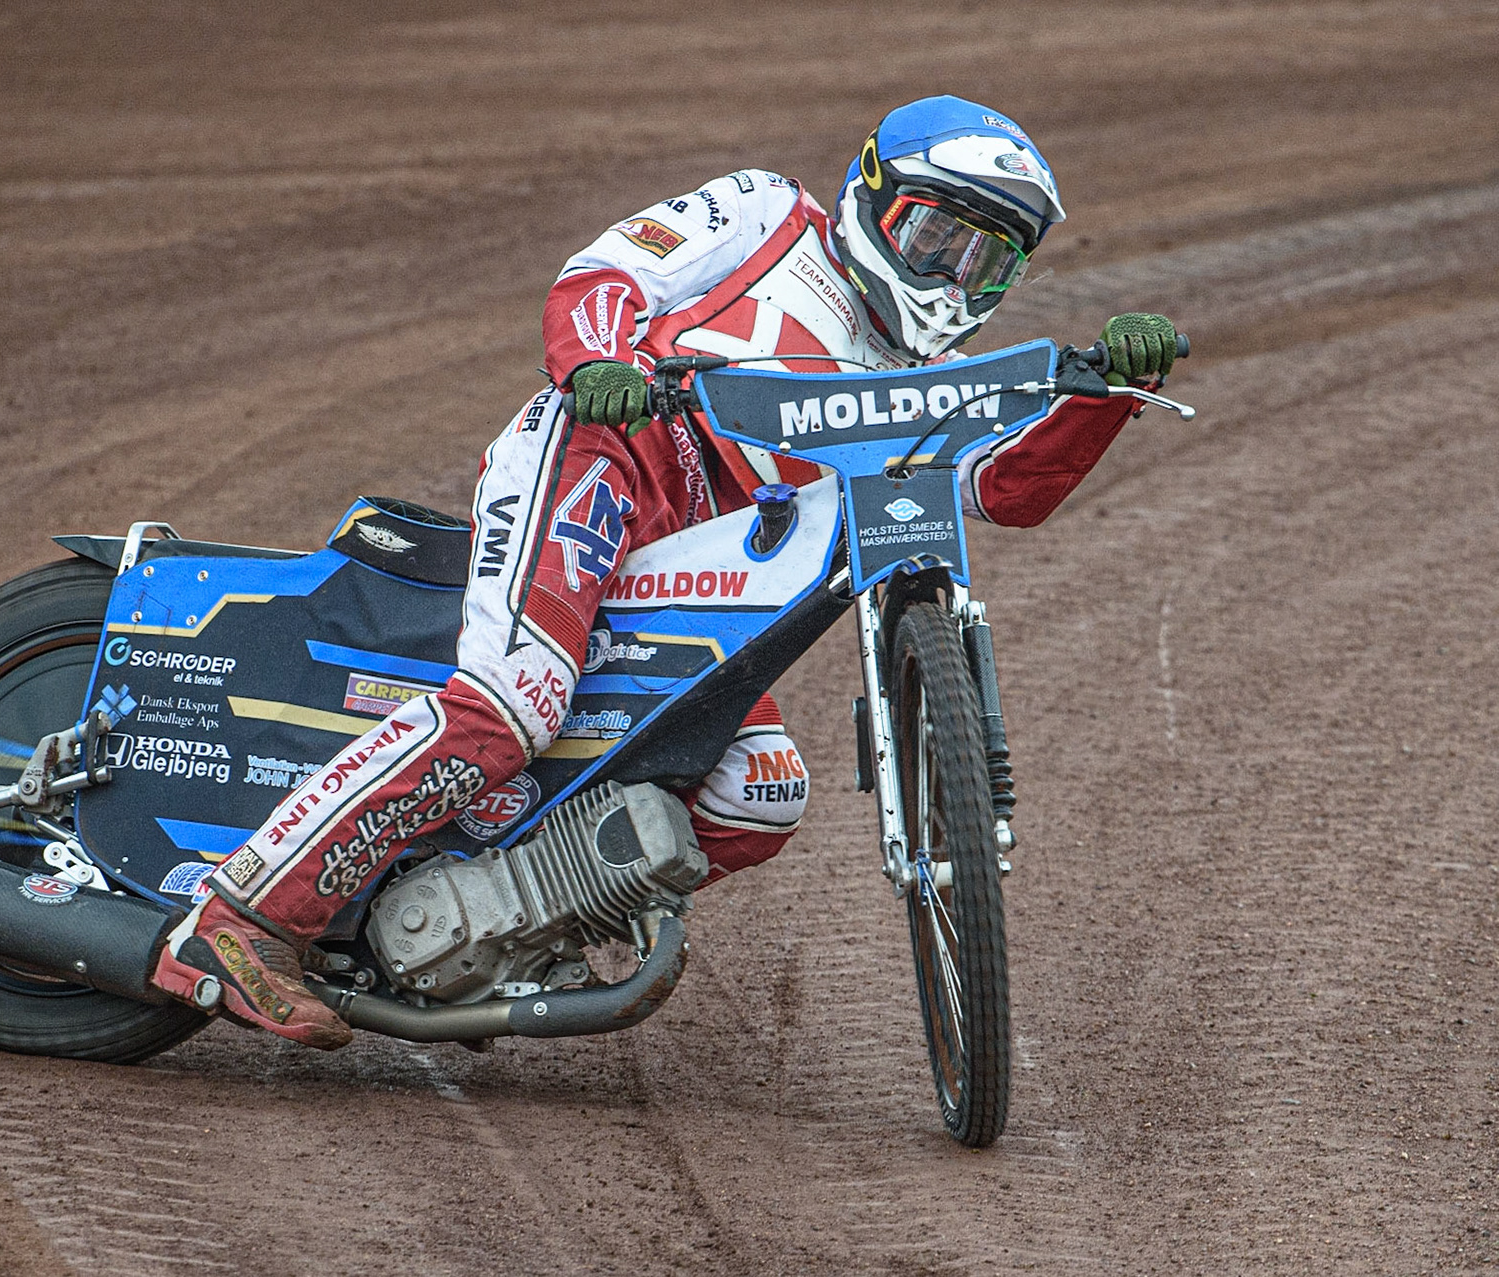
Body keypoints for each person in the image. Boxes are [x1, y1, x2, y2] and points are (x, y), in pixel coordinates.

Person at [150, 94, 1182, 1048]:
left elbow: (1000, 489)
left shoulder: (920, 381)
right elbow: (606, 273)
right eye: (935, 236)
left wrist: (1105, 397)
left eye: (985, 263)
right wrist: (603, 364)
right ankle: (237, 919)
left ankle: (496, 921)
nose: (953, 275)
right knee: (516, 700)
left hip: (705, 558)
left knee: (759, 791)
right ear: (871, 196)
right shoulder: (770, 213)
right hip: (605, 459)